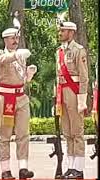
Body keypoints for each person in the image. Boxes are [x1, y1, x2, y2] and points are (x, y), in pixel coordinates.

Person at [0, 28, 37, 179]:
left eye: (17, 38)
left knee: (23, 134)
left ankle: (23, 168)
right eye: (12, 38)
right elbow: (4, 60)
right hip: (5, 98)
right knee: (4, 136)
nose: (15, 40)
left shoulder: (21, 58)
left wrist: (29, 76)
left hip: (21, 97)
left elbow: (20, 79)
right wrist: (17, 55)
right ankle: (5, 170)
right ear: (5, 39)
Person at [56, 22, 89, 179]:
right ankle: (70, 166)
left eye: (63, 30)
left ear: (71, 32)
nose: (60, 32)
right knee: (67, 132)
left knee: (77, 132)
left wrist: (82, 99)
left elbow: (84, 77)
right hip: (62, 92)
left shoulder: (78, 50)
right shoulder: (60, 51)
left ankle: (79, 169)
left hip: (74, 92)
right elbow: (58, 77)